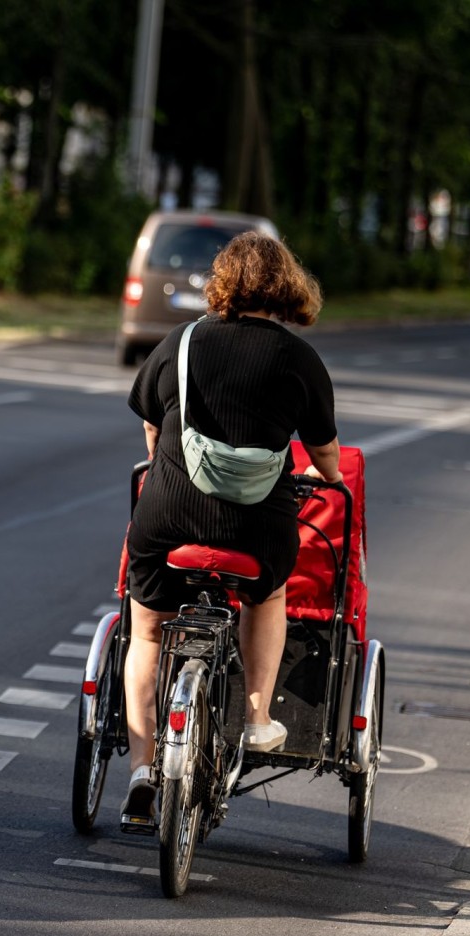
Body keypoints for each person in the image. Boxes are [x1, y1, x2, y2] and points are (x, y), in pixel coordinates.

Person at [120, 231, 343, 827]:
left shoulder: (181, 342)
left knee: (145, 632)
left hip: (166, 517)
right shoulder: (298, 358)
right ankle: (257, 718)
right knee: (268, 594)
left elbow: (151, 431)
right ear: (286, 287)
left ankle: (142, 767)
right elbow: (324, 457)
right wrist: (324, 472)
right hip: (255, 529)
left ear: (222, 282)